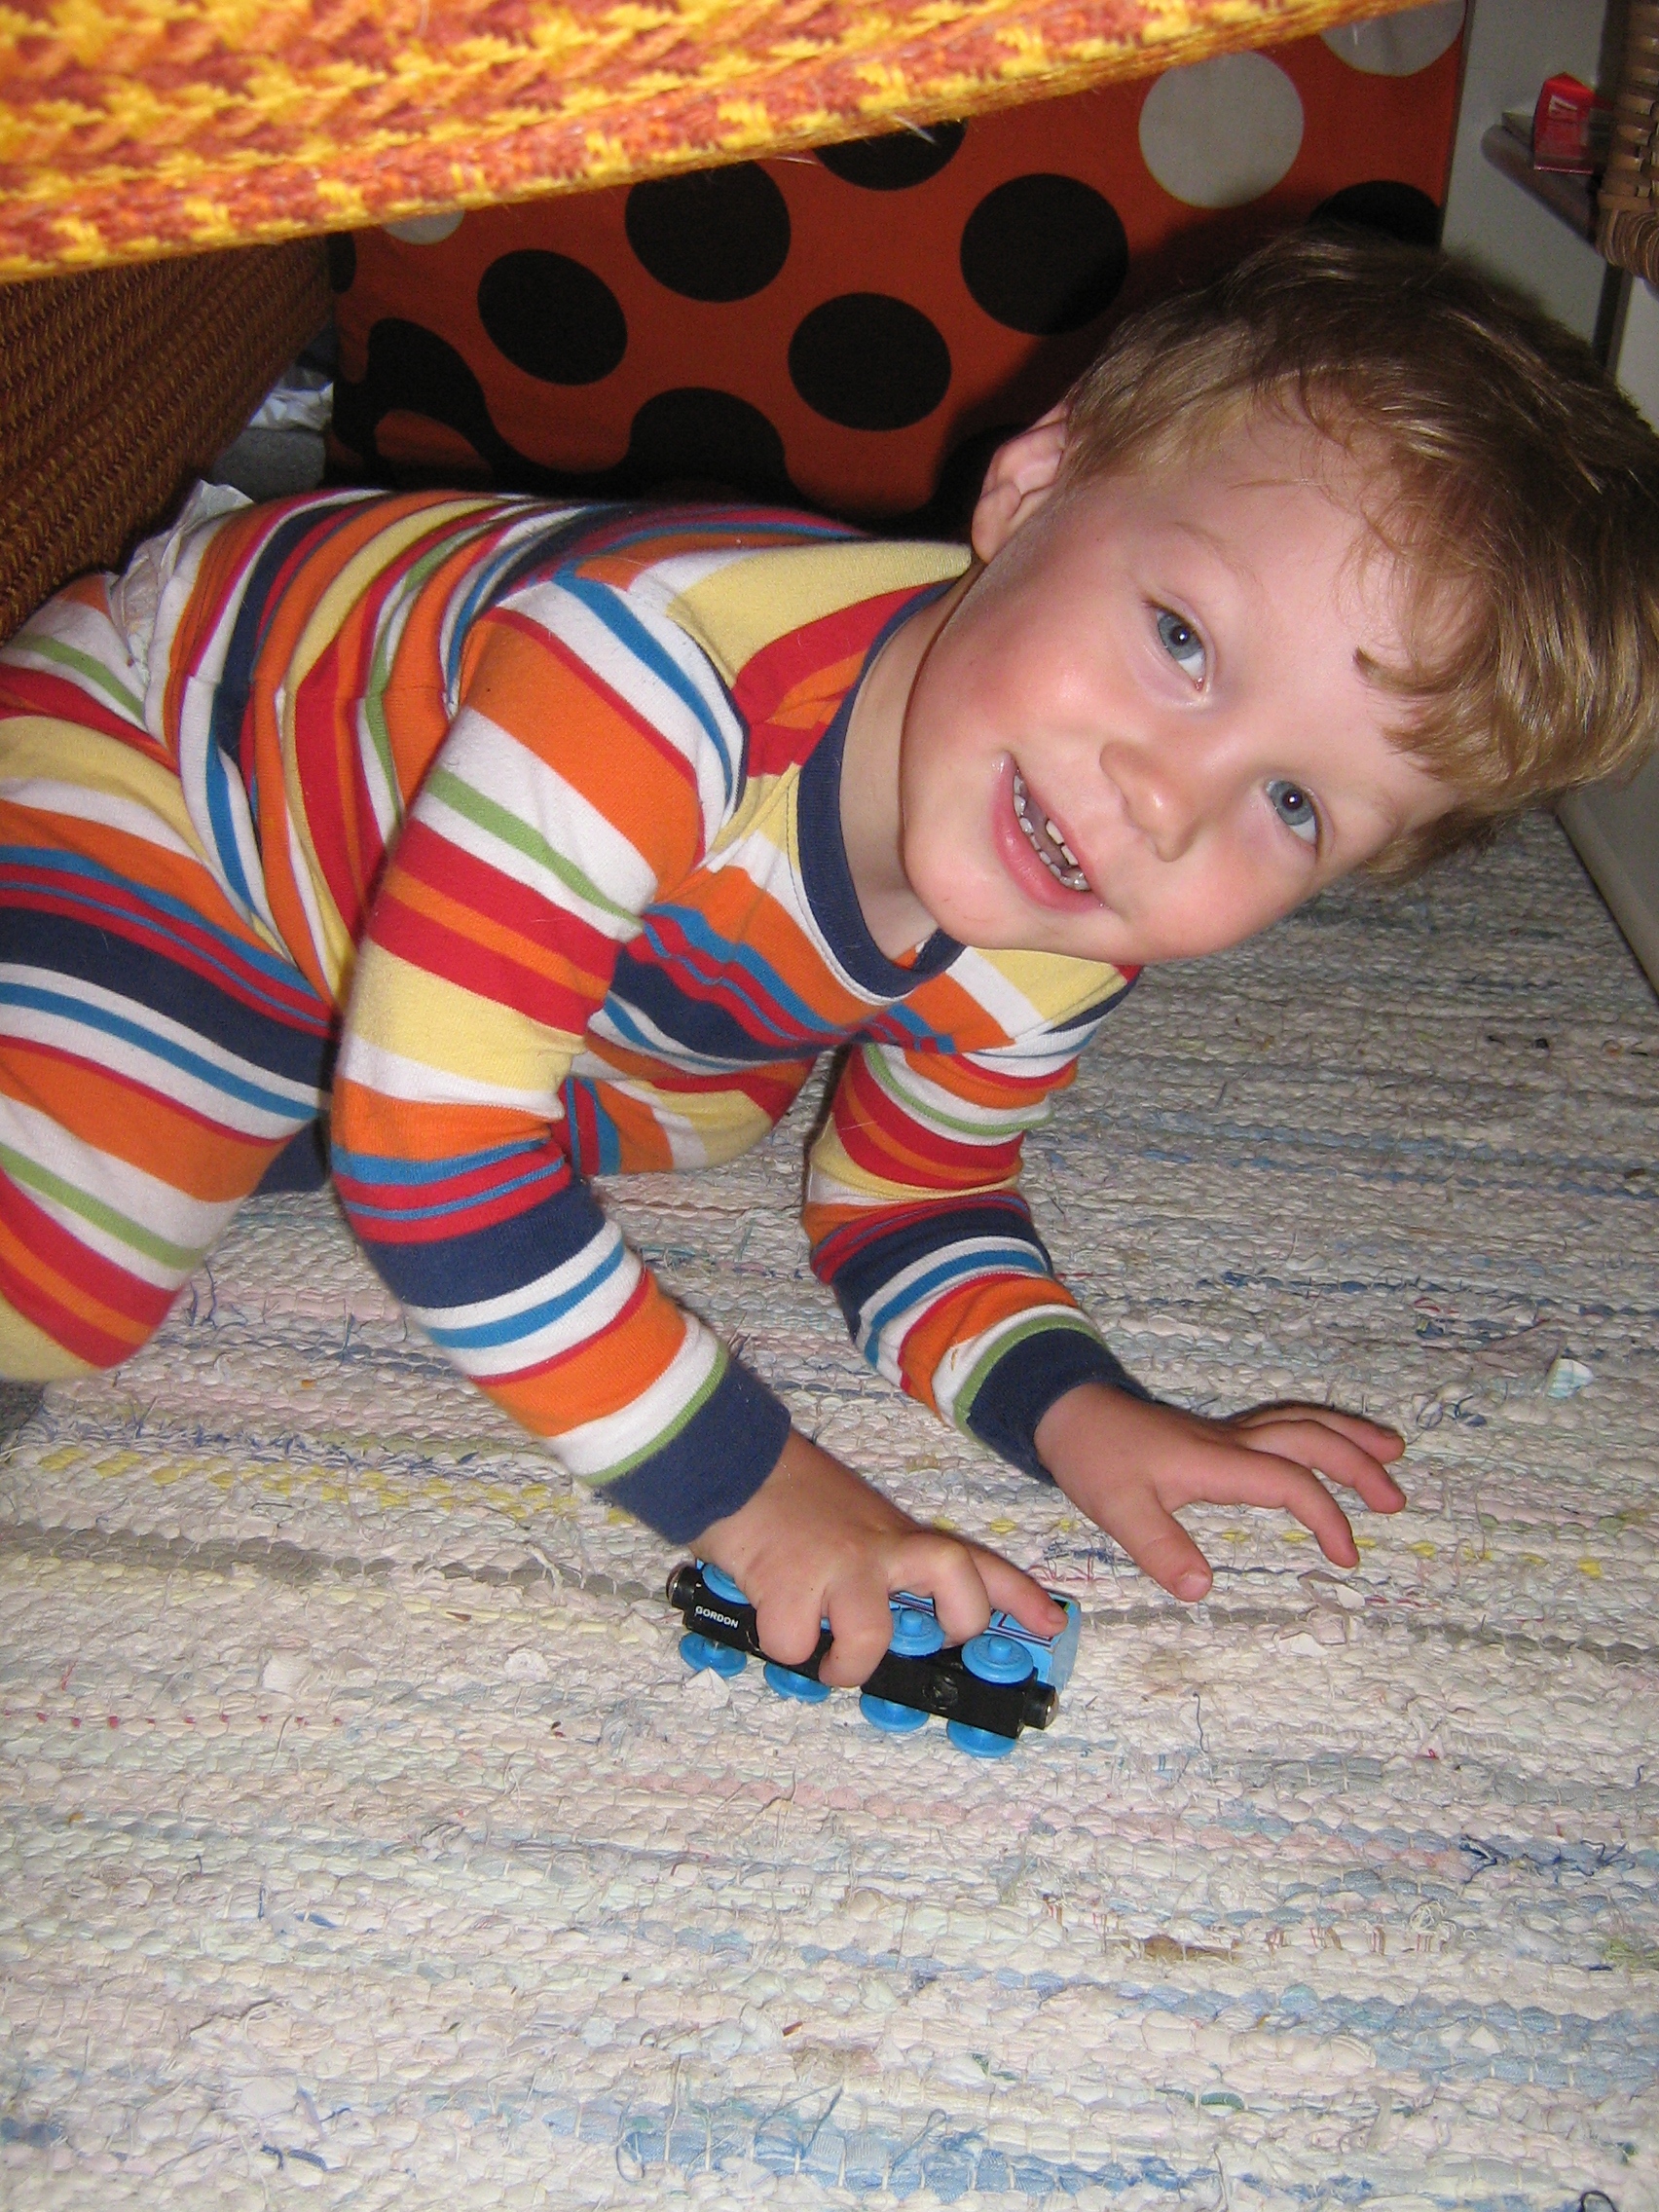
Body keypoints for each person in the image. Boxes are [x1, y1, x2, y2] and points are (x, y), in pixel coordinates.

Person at [2, 234, 1655, 1690]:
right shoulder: (655, 673)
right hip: (179, 773)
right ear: (1033, 489)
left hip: (419, 927)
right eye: (1181, 641)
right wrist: (766, 1496)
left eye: (1294, 805)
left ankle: (299, 1069)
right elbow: (437, 1158)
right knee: (64, 1278)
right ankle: (271, 1065)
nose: (1168, 802)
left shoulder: (1066, 905)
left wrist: (1080, 1409)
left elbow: (911, 1197)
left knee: (704, 1112)